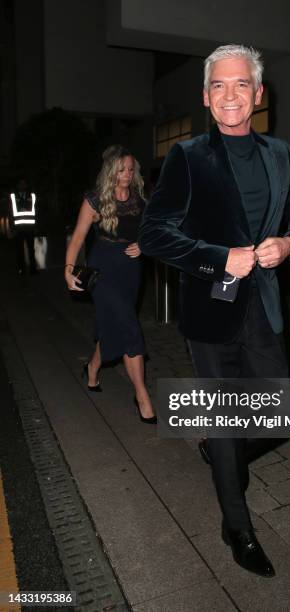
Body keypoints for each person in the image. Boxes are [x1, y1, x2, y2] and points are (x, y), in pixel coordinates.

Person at [139, 44, 290, 575]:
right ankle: (236, 526)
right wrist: (219, 258)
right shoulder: (188, 156)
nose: (231, 94)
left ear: (258, 93)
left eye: (242, 84)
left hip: (263, 304)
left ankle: (223, 451)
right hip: (211, 309)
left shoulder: (281, 154)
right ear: (206, 96)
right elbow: (154, 233)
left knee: (280, 416)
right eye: (220, 85)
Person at [65, 145, 156, 424]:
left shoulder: (140, 199)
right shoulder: (94, 200)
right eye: (121, 169)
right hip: (103, 268)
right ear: (110, 171)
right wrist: (68, 270)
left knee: (114, 326)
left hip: (130, 269)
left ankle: (92, 368)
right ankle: (142, 396)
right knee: (129, 325)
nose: (126, 174)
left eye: (130, 169)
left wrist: (143, 245)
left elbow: (152, 231)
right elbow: (78, 238)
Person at [9, 177, 37, 274]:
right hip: (18, 228)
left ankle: (33, 269)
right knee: (19, 250)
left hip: (30, 228)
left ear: (26, 185)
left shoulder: (32, 195)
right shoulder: (13, 196)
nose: (22, 185)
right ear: (17, 185)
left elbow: (37, 211)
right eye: (20, 184)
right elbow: (10, 213)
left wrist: (37, 226)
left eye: (24, 183)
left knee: (31, 250)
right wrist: (11, 228)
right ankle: (21, 269)